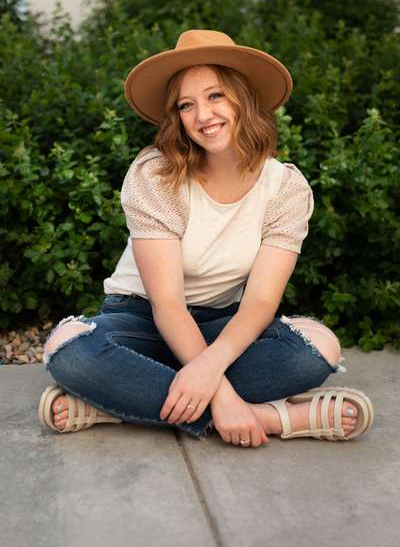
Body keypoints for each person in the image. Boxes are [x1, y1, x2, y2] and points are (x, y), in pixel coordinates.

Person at [38, 30, 373, 447]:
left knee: (320, 346)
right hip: (142, 320)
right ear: (176, 116)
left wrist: (211, 364)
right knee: (69, 348)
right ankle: (268, 418)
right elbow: (168, 304)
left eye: (215, 96)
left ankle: (115, 405)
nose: (202, 115)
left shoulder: (286, 188)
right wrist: (222, 395)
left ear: (243, 99)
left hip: (223, 324)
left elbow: (260, 303)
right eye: (186, 104)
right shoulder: (156, 174)